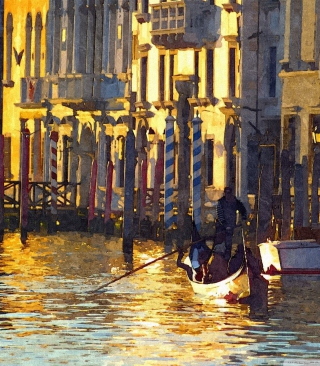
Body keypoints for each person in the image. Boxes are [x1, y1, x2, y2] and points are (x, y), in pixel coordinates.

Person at [217, 187, 247, 261]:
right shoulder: (221, 202)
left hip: (231, 225)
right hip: (222, 226)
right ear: (224, 193)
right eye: (226, 193)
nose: (228, 195)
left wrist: (243, 218)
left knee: (228, 243)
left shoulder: (235, 202)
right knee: (220, 242)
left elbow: (242, 210)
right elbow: (220, 214)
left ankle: (227, 258)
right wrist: (224, 223)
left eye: (229, 193)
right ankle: (220, 258)